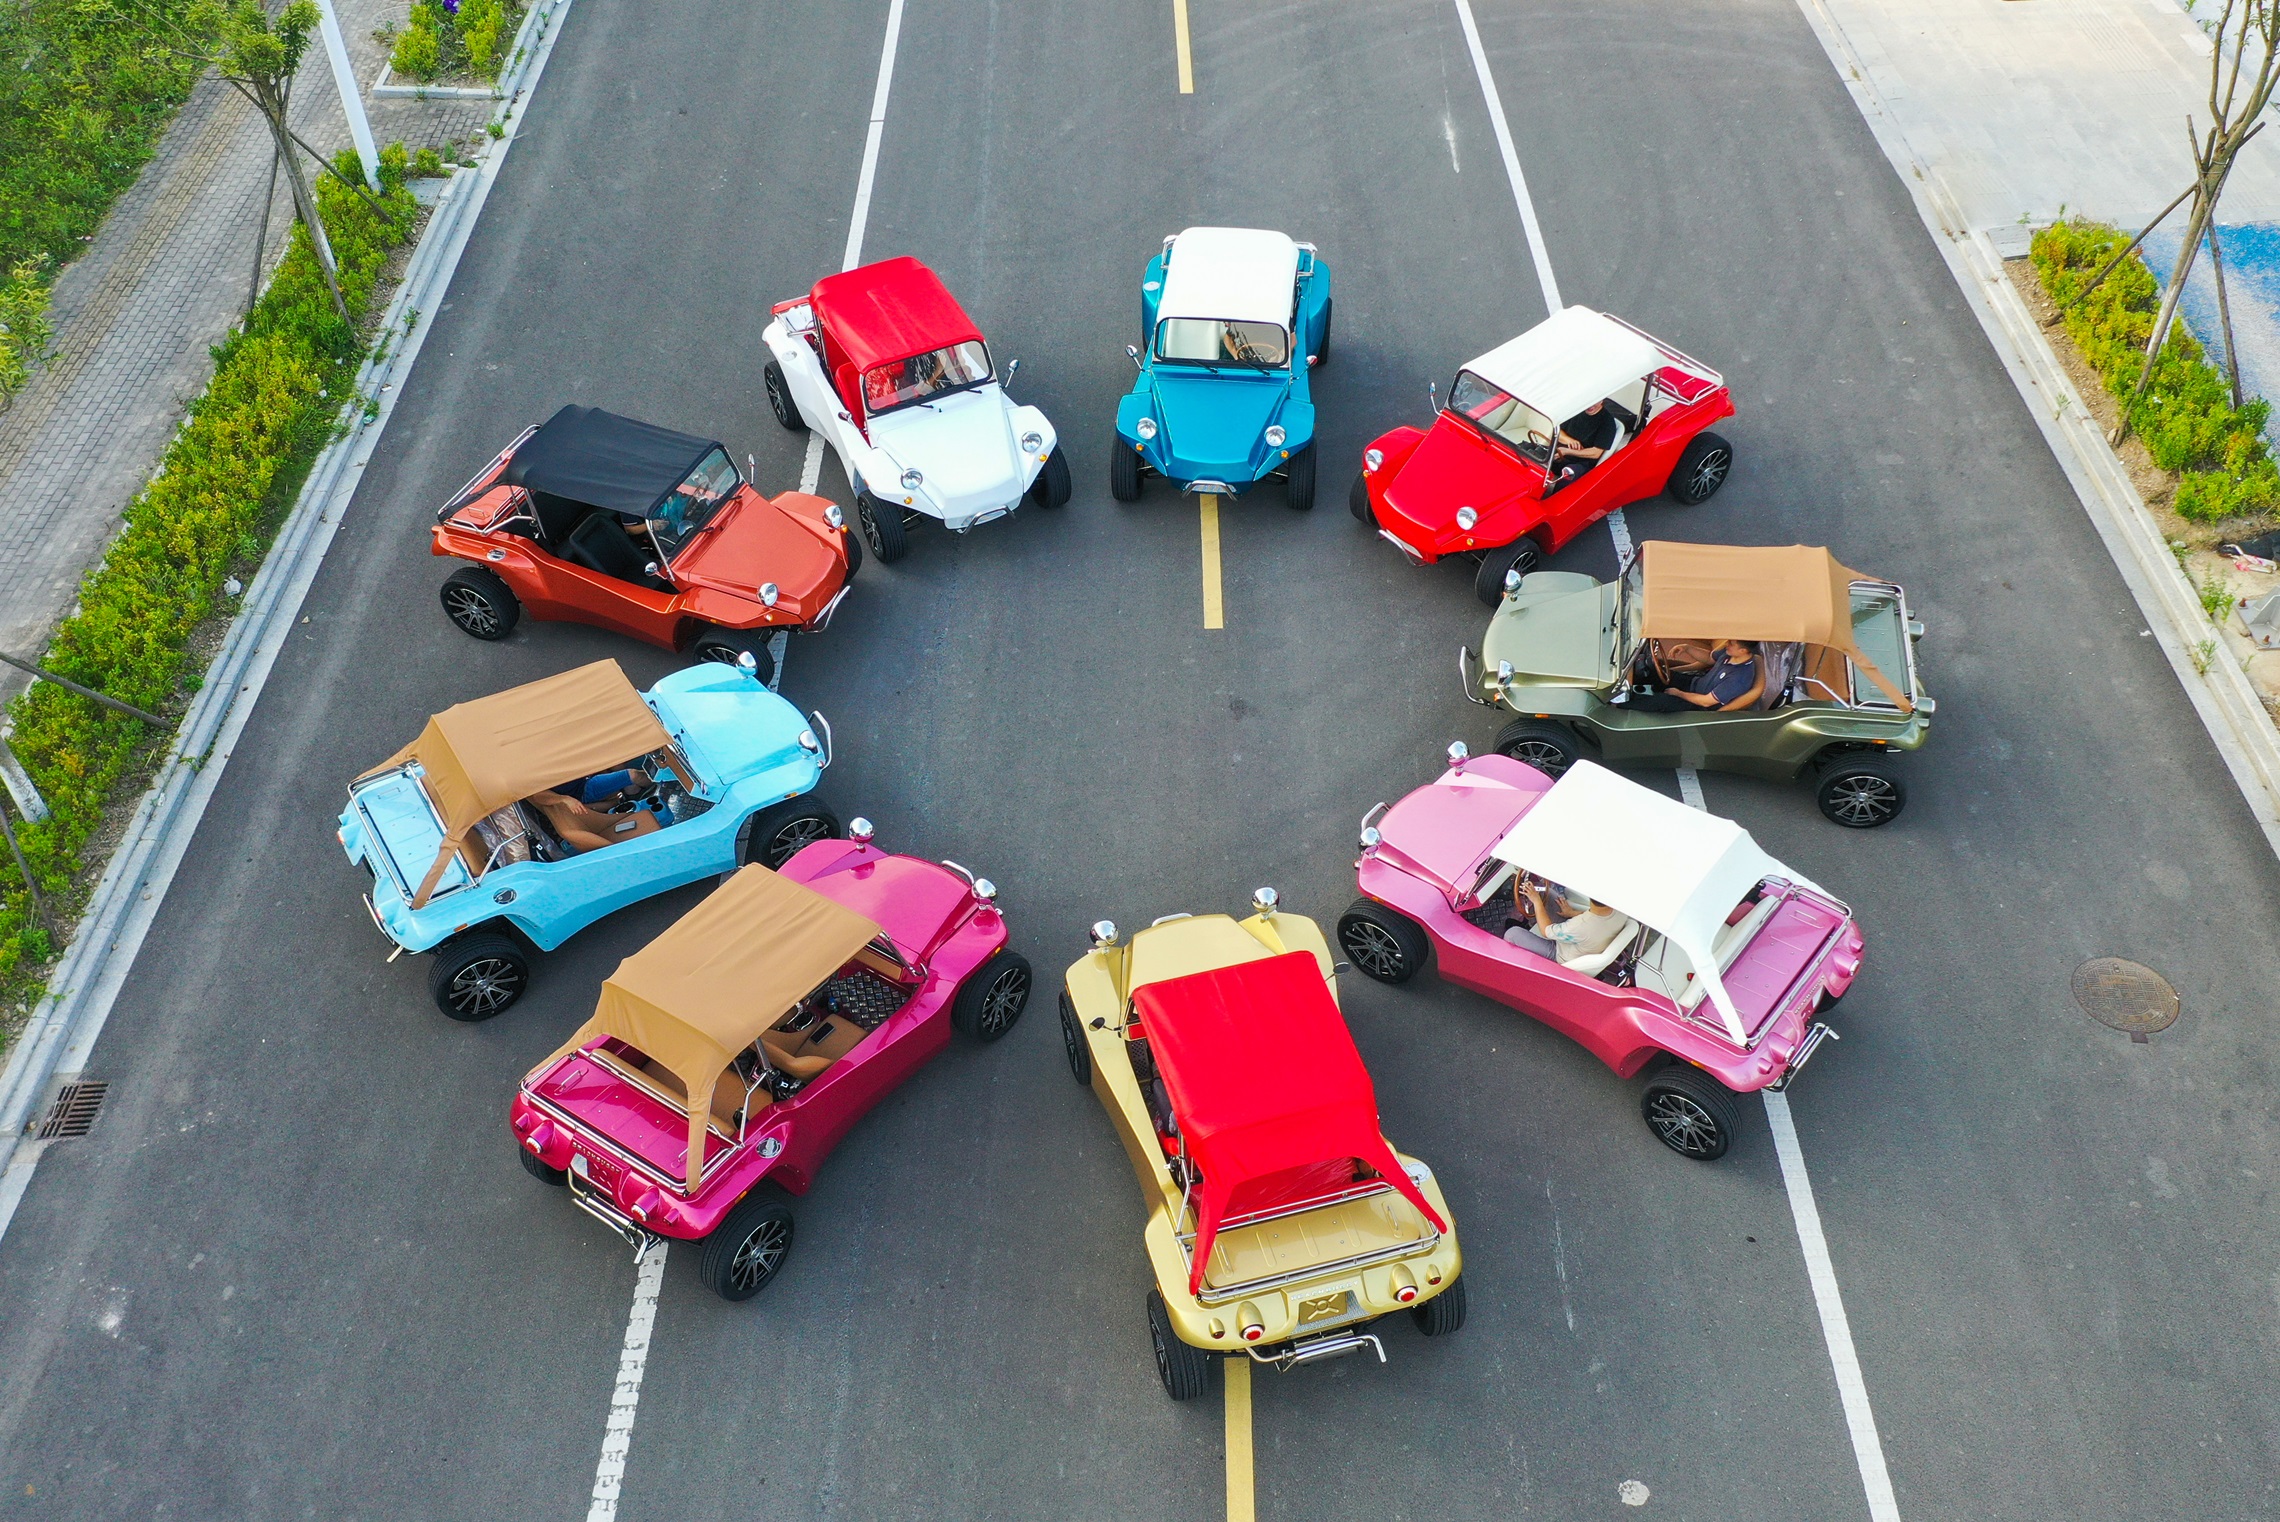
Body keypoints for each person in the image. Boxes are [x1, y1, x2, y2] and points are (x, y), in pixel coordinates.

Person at [1515, 879, 1634, 968]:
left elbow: (1545, 931)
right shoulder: (1621, 911)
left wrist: (1536, 901)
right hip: (1586, 940)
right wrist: (1571, 913)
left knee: (1512, 933)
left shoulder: (1578, 926)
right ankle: (1532, 921)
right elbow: (1596, 918)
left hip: (1561, 954)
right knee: (1547, 893)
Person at [1624, 637, 1764, 712]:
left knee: (1659, 701)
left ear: (1743, 651)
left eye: (1731, 643)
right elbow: (1709, 658)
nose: (1727, 644)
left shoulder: (1738, 679)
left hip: (1697, 706)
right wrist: (1687, 648)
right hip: (1694, 683)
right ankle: (1623, 684)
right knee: (1653, 673)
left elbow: (1706, 701)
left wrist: (1679, 693)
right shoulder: (1730, 653)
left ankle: (1620, 704)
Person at [1551, 400, 1618, 479]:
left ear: (1601, 401)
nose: (1590, 406)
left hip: (1582, 462)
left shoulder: (1608, 422)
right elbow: (1557, 431)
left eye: (1595, 401)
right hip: (1560, 453)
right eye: (1589, 401)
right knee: (1538, 454)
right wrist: (1569, 440)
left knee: (1569, 474)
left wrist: (1567, 451)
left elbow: (1596, 453)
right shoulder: (1576, 410)